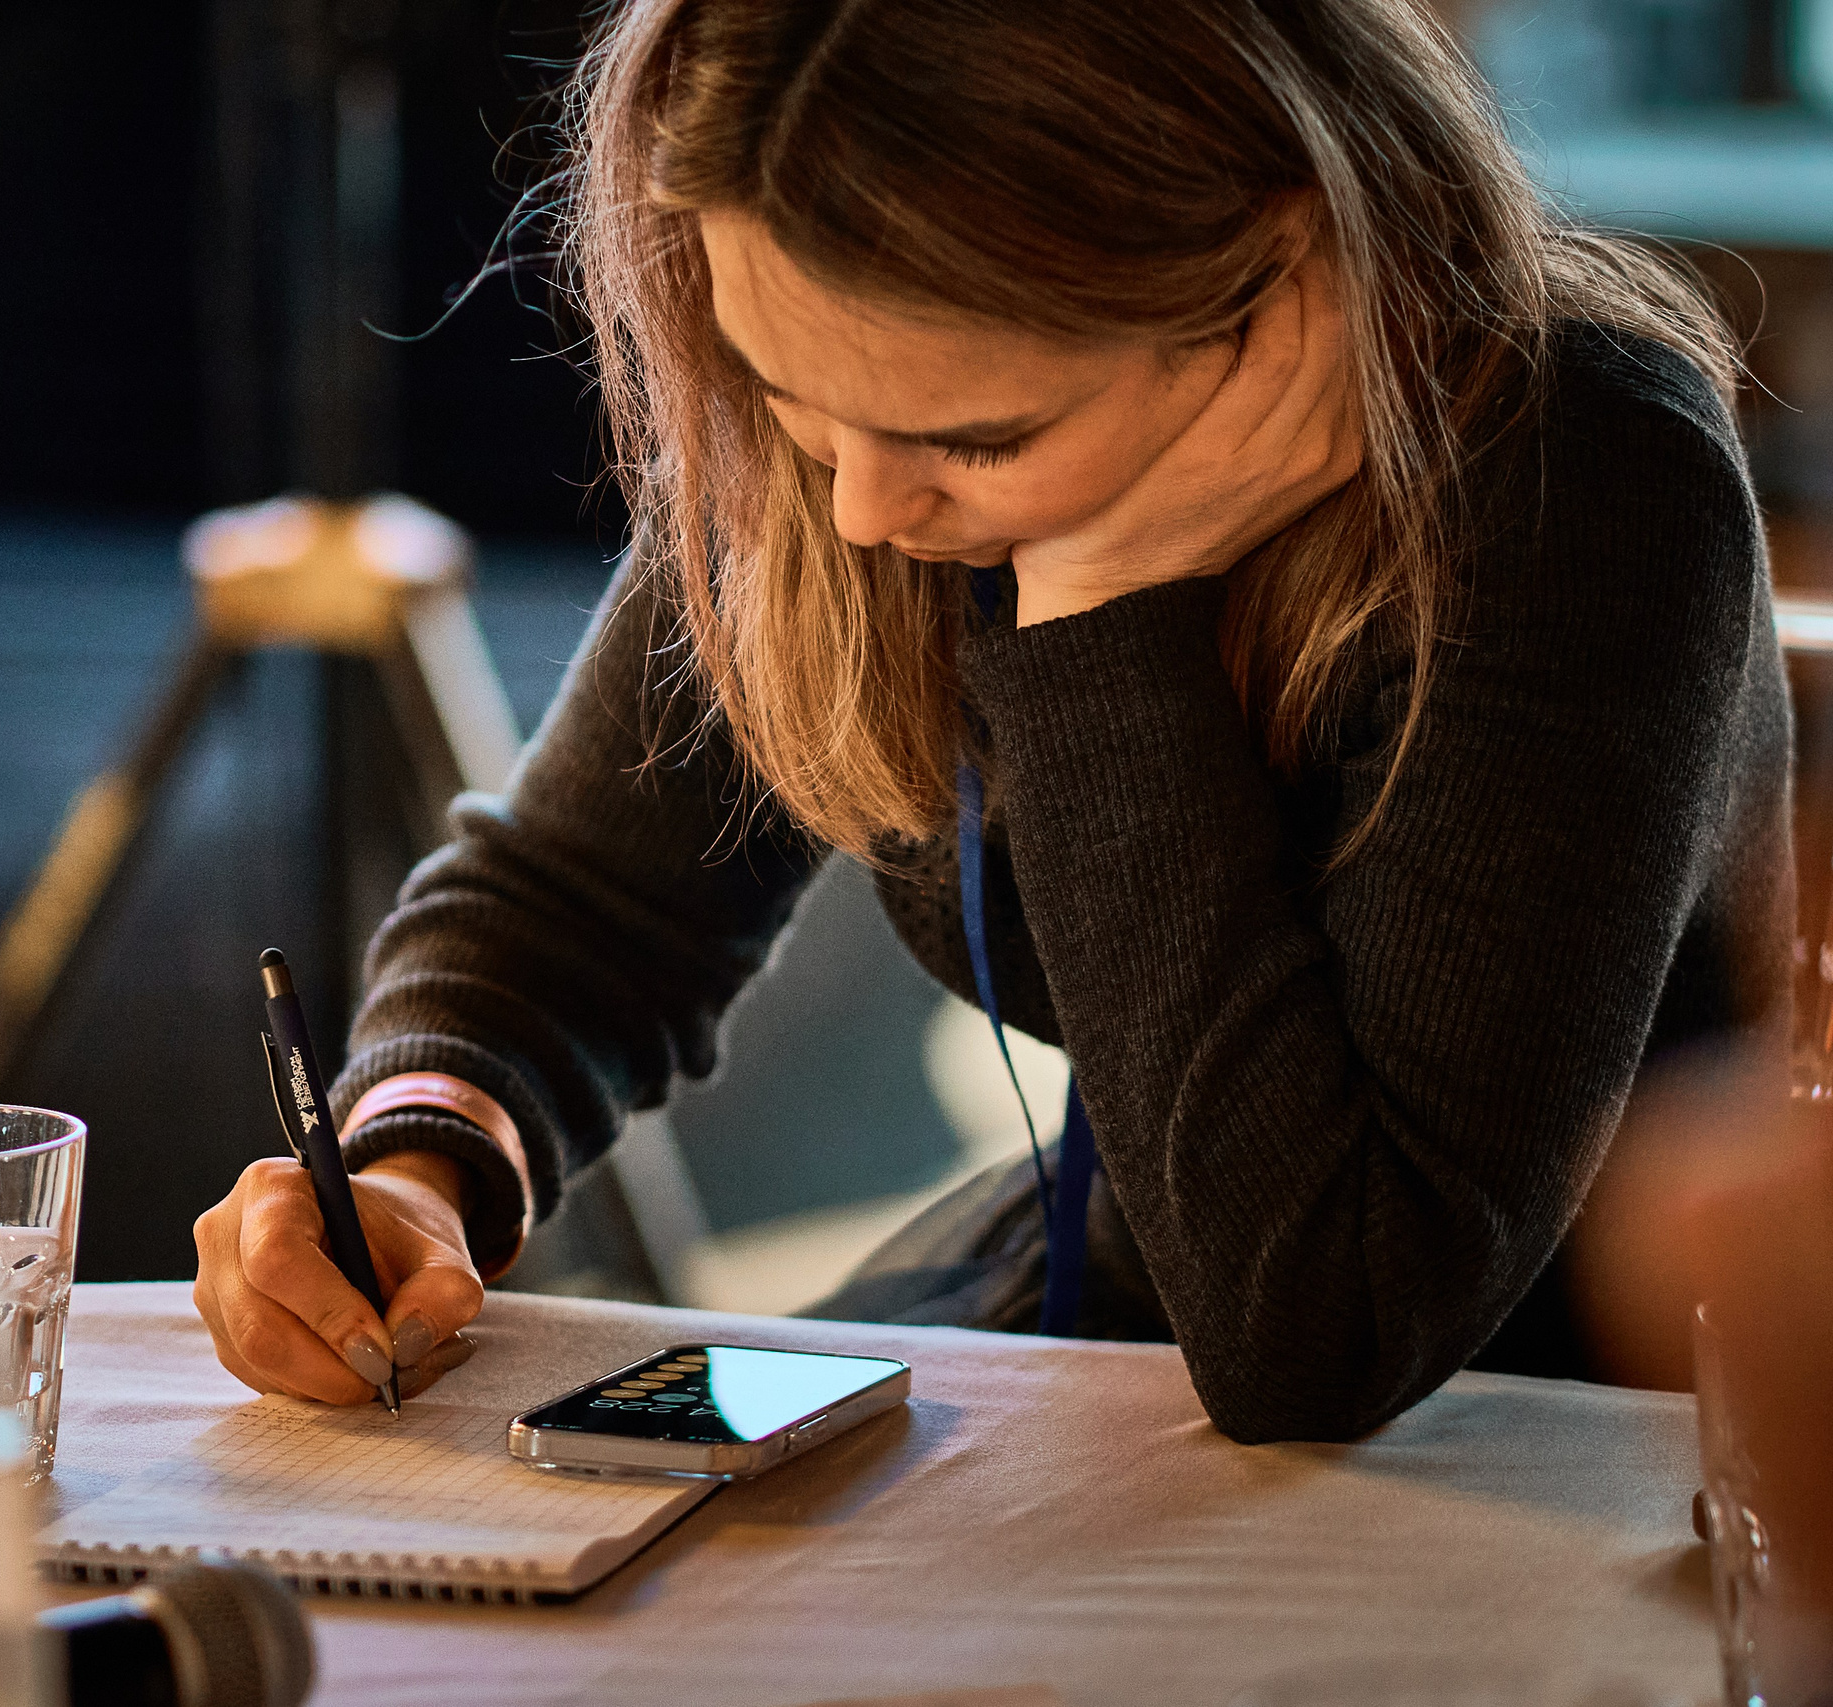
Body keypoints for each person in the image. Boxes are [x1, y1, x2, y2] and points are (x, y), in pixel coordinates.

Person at [192, 0, 1793, 1443]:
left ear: (1271, 283)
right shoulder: (869, 437)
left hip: (1538, 1442)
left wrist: (1098, 600)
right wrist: (415, 1164)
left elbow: (1327, 1328)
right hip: (1095, 1346)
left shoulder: (1572, 481)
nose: (870, 509)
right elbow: (576, 907)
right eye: (797, 408)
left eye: (977, 436)